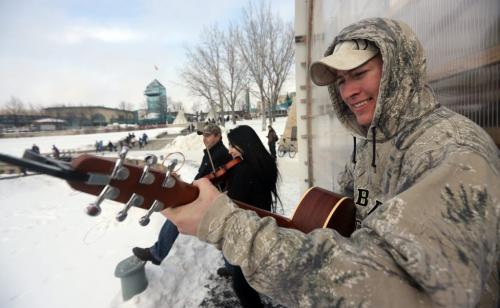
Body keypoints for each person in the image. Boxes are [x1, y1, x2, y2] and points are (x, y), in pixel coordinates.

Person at [161, 18, 500, 307]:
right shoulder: (371, 146)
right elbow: (349, 219)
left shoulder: (452, 152)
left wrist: (228, 227)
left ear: (400, 70)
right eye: (340, 81)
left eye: (360, 73)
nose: (348, 91)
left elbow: (391, 290)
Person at [132, 123, 232, 265]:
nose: (204, 138)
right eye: (203, 135)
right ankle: (230, 267)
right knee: (223, 235)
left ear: (218, 136)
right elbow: (201, 177)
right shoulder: (212, 152)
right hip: (205, 194)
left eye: (208, 135)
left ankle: (157, 253)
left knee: (176, 216)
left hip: (210, 199)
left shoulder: (219, 154)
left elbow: (206, 179)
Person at [222, 125, 281, 308]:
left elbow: (232, 204)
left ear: (243, 145)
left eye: (232, 145)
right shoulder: (265, 162)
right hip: (261, 220)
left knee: (241, 286)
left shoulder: (243, 170)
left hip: (248, 229)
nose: (230, 151)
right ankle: (232, 268)